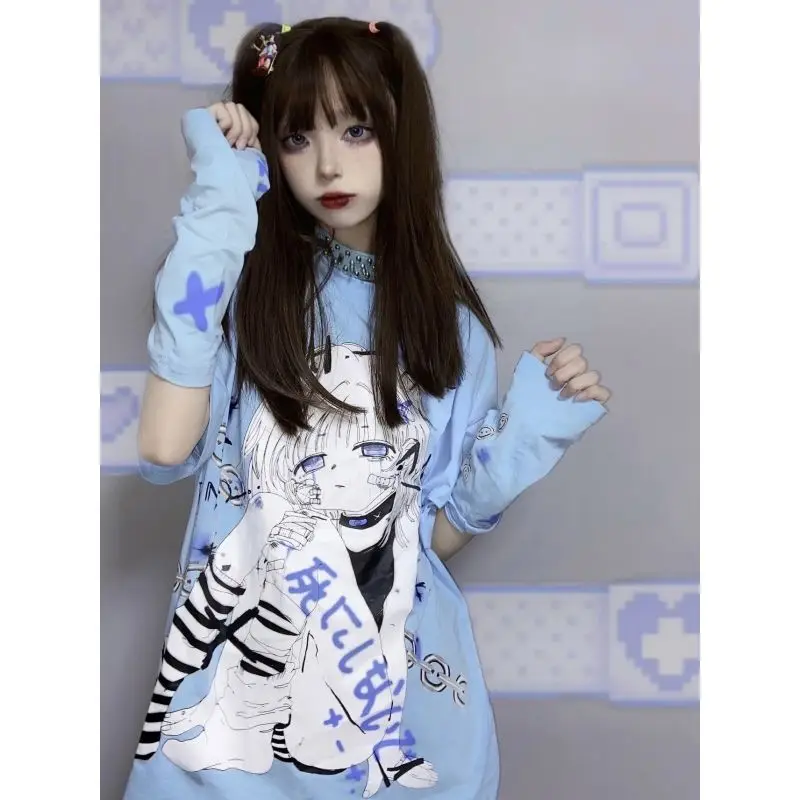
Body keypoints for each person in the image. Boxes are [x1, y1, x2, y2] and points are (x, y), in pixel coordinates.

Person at [122, 16, 611, 800]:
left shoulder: (449, 330)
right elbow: (162, 445)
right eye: (296, 137)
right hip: (231, 738)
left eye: (356, 130)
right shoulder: (239, 288)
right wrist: (221, 195)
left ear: (400, 132)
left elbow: (421, 537)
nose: (327, 164)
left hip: (393, 719)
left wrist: (523, 445)